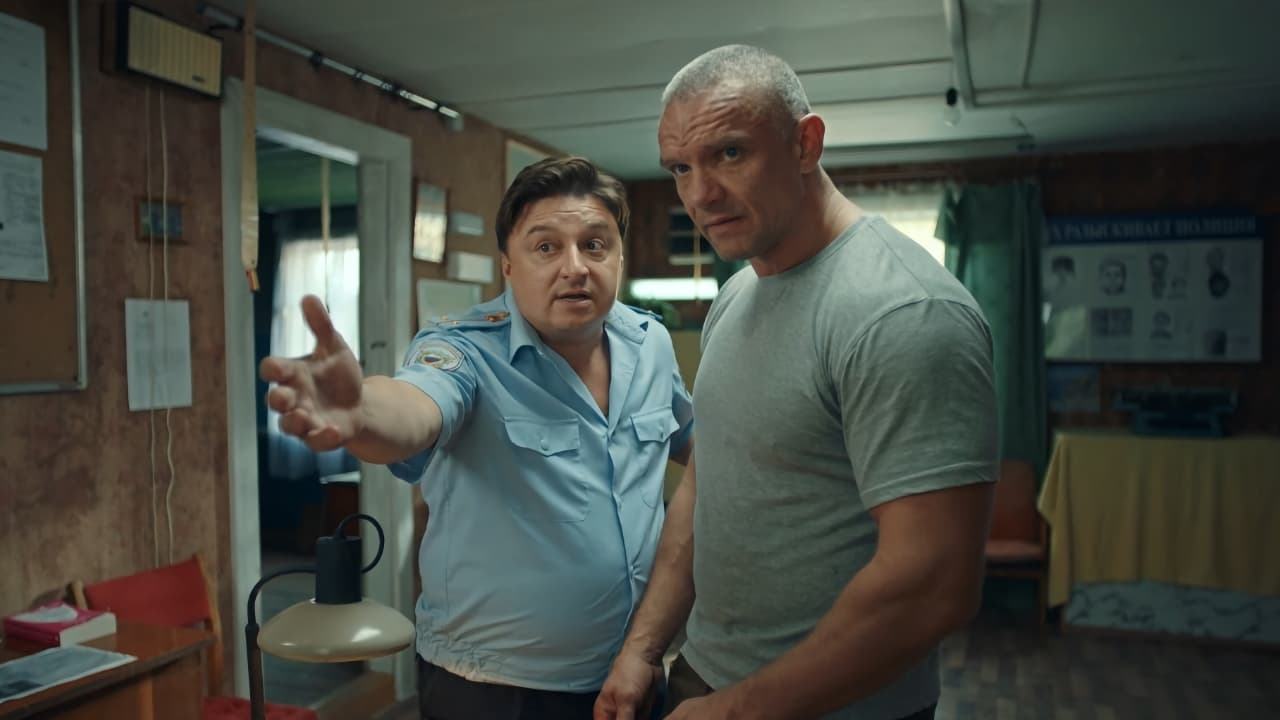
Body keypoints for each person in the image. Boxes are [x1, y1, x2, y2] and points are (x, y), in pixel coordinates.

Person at [594, 45, 998, 720]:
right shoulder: (739, 293)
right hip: (707, 676)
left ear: (805, 144)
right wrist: (643, 650)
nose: (700, 194)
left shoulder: (903, 310)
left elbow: (933, 586)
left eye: (729, 153)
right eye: (680, 168)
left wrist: (735, 711)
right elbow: (704, 486)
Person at [261, 157, 694, 720]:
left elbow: (700, 445)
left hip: (634, 669)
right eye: (546, 247)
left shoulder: (650, 342)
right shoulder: (464, 350)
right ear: (508, 266)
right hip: (495, 689)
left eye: (595, 245)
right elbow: (416, 407)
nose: (575, 267)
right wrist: (359, 410)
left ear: (618, 256)